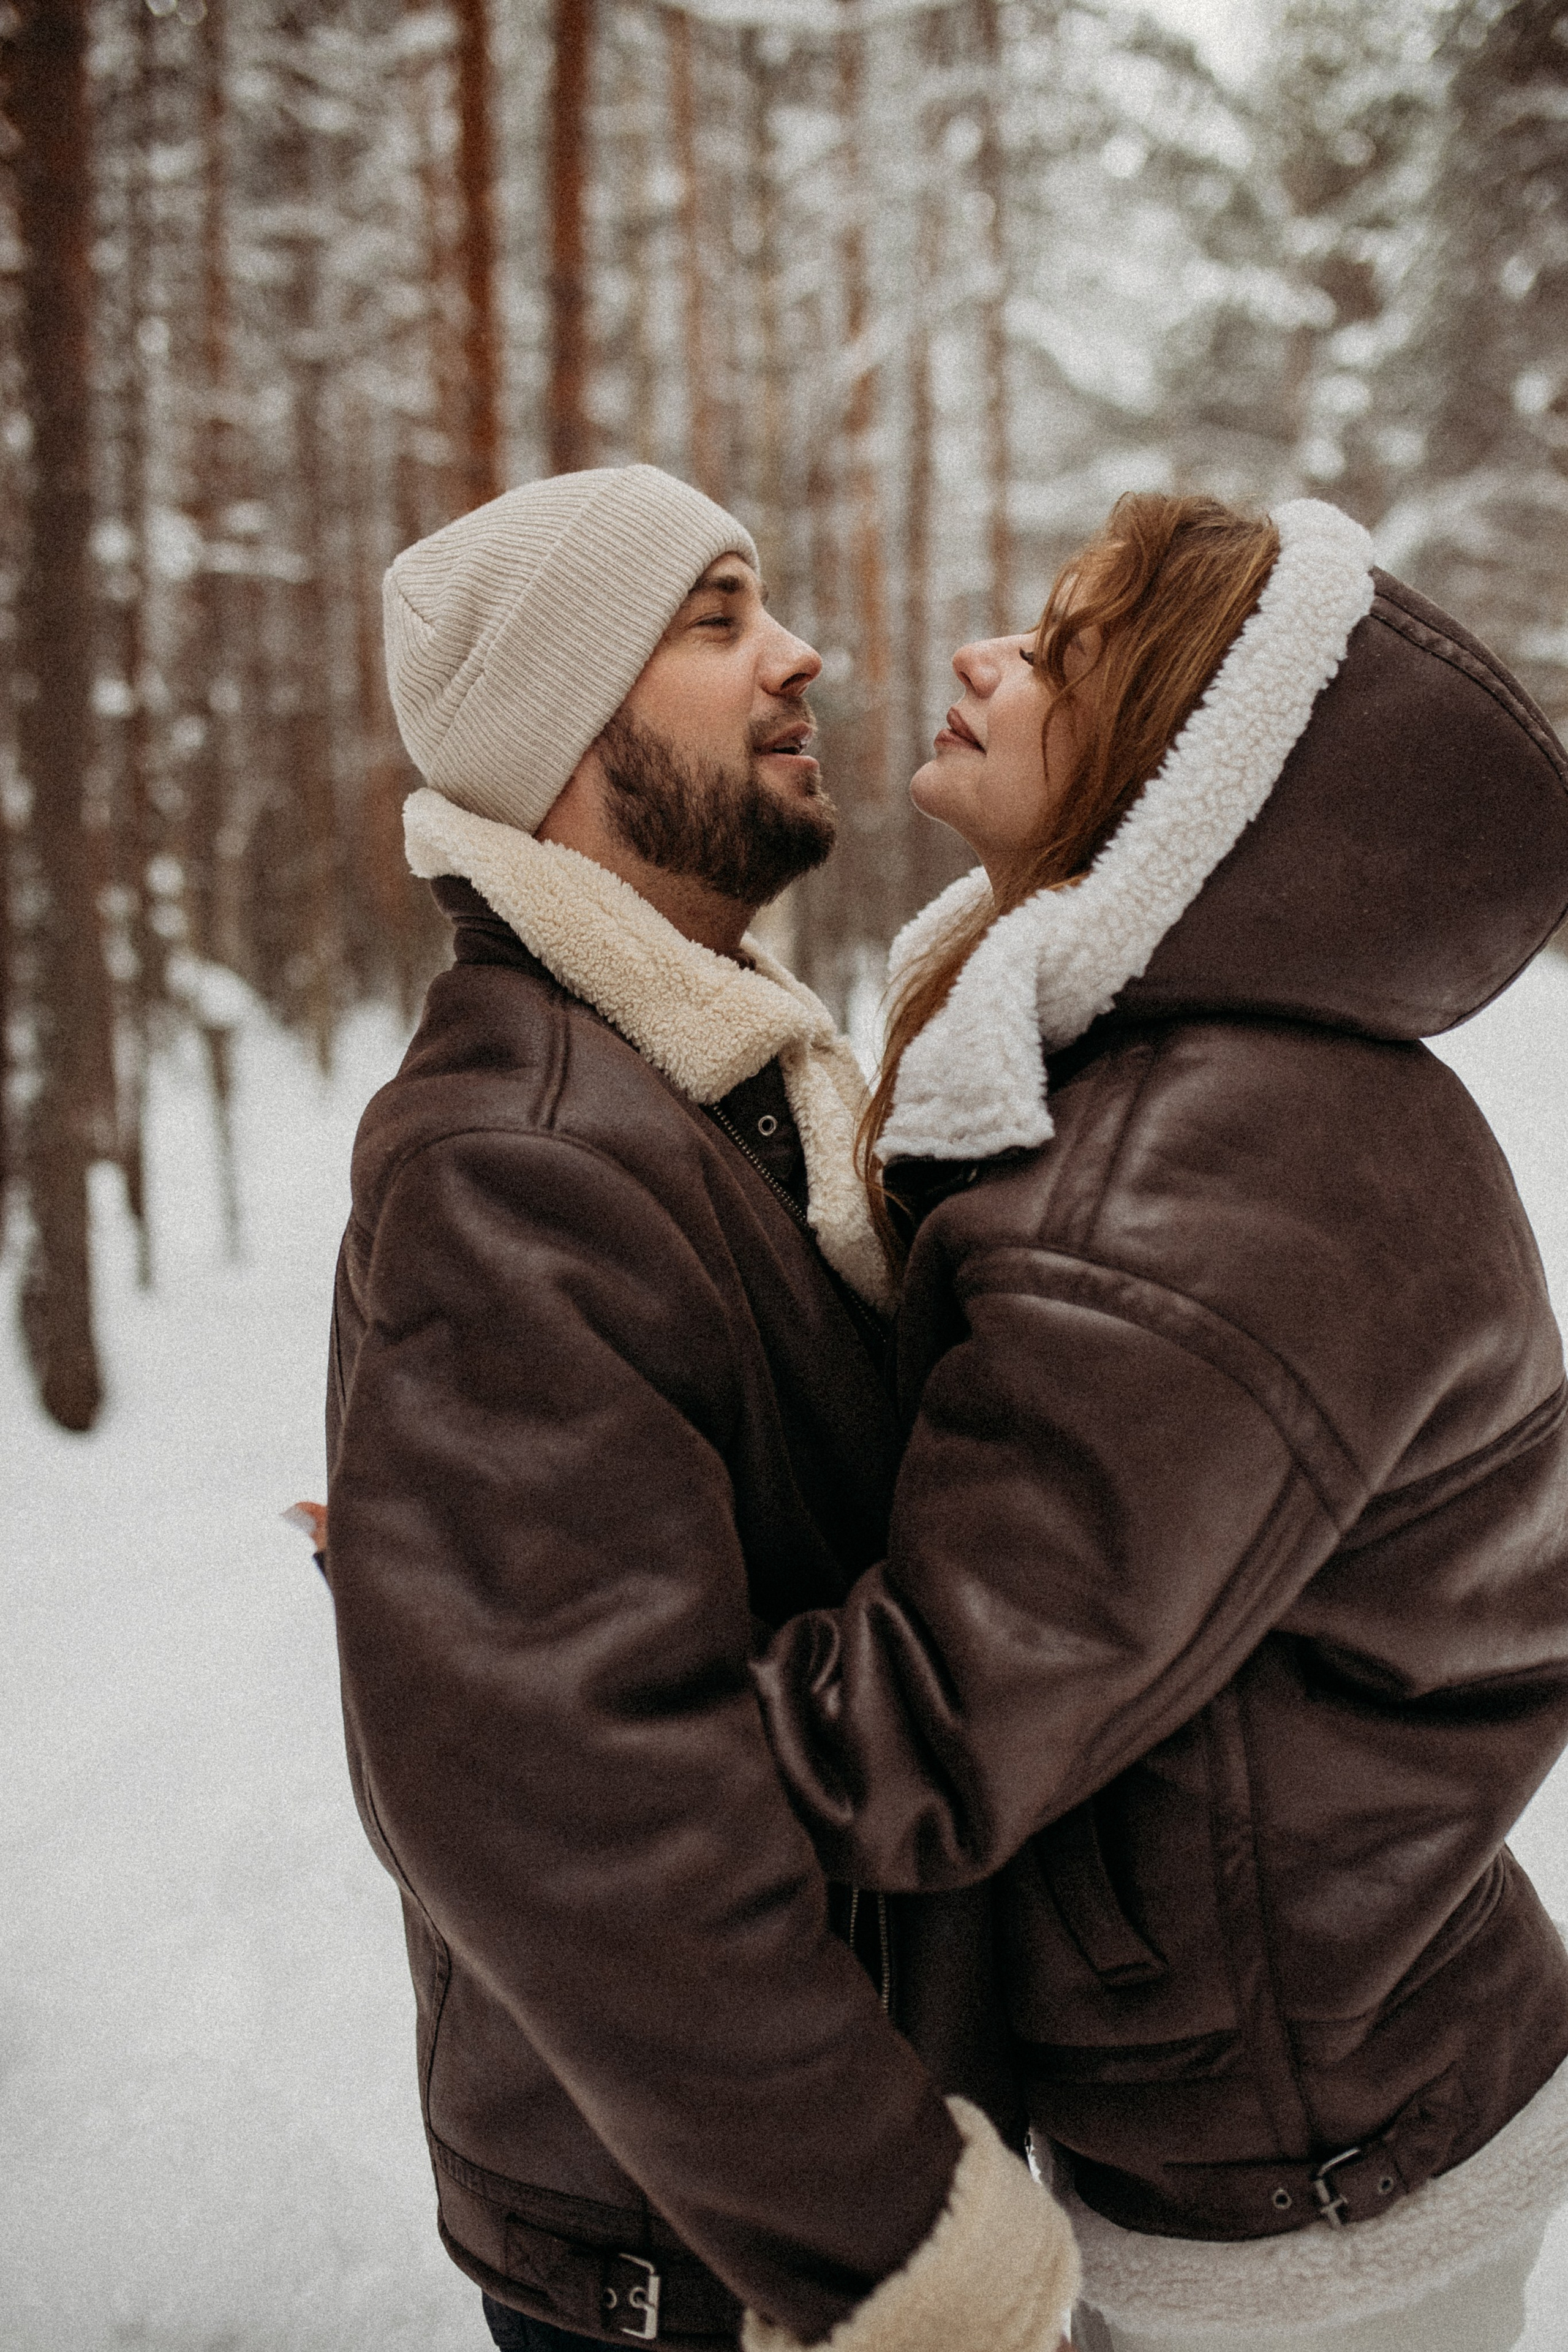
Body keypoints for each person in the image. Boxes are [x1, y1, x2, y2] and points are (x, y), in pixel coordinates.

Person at [750, 490, 1568, 2351]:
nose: (982, 659)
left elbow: (936, 1729)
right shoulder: (1267, 1093)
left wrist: (534, 1703)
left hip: (1305, 2182)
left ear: (1203, 775)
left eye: (1060, 654)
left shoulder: (1185, 1186)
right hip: (1353, 2074)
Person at [322, 463, 1079, 2352]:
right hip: (704, 2259)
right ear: (573, 727)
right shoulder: (522, 1161)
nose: (802, 654)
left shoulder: (720, 1086)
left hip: (743, 2205)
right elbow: (560, 1797)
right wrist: (898, 2237)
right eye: (721, 616)